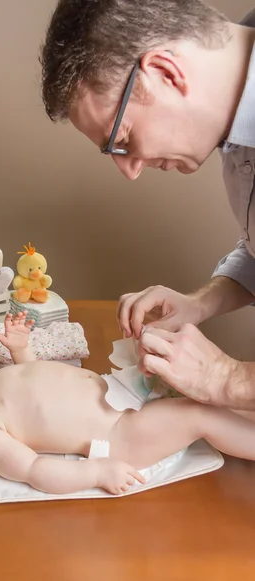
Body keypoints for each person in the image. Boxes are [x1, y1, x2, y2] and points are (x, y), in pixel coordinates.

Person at [40, 1, 255, 409]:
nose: (130, 170)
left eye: (123, 138)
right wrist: (201, 301)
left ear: (165, 73)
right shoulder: (236, 129)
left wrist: (227, 378)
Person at [0, 312, 255, 495]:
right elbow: (36, 470)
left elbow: (33, 382)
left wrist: (22, 351)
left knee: (199, 388)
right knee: (198, 415)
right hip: (121, 435)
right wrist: (98, 472)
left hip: (118, 390)